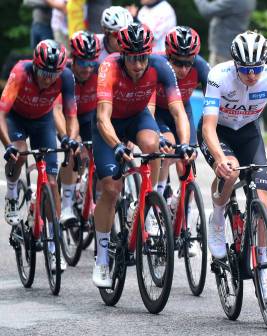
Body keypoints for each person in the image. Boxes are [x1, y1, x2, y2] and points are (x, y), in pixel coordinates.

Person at [92, 23, 194, 288]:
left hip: (137, 117)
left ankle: (146, 203)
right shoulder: (109, 67)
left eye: (142, 57)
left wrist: (184, 144)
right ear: (123, 54)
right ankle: (102, 257)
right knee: (112, 190)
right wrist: (116, 145)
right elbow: (102, 117)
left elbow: (178, 111)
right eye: (132, 58)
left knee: (154, 144)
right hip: (110, 124)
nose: (137, 64)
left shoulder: (161, 67)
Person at [200, 31, 267, 302]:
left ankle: (264, 265)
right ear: (235, 64)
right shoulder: (218, 75)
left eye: (256, 68)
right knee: (230, 170)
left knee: (262, 204)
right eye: (245, 69)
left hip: (248, 132)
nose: (252, 75)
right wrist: (219, 158)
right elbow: (208, 126)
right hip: (219, 132)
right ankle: (218, 218)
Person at [0, 39, 78, 273]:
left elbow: (71, 114)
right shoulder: (21, 73)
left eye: (53, 73)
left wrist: (69, 138)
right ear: (35, 65)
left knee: (52, 183)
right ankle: (12, 192)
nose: (48, 78)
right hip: (16, 118)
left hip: (43, 121)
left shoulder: (65, 77)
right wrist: (8, 147)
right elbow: (1, 113)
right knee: (20, 153)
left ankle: (54, 250)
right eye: (43, 71)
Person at [154, 26, 209, 200]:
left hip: (183, 111)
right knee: (167, 150)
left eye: (188, 63)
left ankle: (185, 210)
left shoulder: (201, 66)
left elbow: (213, 102)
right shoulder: (156, 63)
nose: (184, 69)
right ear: (168, 55)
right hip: (158, 112)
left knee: (187, 160)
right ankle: (159, 198)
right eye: (178, 62)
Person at [56, 30, 101, 224]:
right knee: (75, 152)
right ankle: (66, 205)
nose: (88, 68)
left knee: (98, 155)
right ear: (73, 59)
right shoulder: (63, 74)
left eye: (91, 63)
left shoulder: (100, 70)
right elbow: (56, 109)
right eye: (83, 62)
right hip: (67, 117)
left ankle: (84, 187)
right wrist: (70, 138)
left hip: (89, 116)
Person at [193, 0, 256, 66]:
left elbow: (207, 11)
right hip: (234, 49)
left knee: (215, 75)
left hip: (222, 52)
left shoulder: (233, 1)